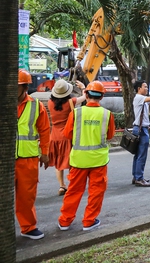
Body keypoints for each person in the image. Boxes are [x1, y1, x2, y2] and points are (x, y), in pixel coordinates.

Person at [58, 81, 115, 232]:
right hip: (98, 161)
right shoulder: (107, 114)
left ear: (86, 95)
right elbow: (110, 136)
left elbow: (67, 134)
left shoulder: (76, 113)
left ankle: (65, 221)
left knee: (74, 191)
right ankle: (89, 221)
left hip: (78, 161)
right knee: (96, 191)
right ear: (102, 97)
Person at [16, 69, 50, 240]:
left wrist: (45, 153)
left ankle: (28, 227)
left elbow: (44, 131)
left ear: (25, 87)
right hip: (5, 160)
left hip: (27, 158)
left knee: (27, 195)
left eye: (18, 86)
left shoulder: (36, 106)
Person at [48, 79, 86, 196]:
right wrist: (83, 87)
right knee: (71, 161)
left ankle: (61, 185)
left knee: (59, 162)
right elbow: (85, 97)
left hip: (54, 136)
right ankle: (71, 185)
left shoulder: (50, 103)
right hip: (68, 135)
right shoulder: (71, 101)